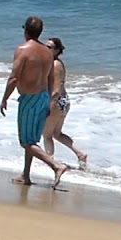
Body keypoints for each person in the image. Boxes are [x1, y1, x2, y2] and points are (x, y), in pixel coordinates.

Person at [0, 16, 68, 188]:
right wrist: (49, 101)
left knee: (26, 142)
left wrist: (4, 99)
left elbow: (14, 77)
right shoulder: (47, 53)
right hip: (43, 97)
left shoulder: (23, 50)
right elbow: (51, 79)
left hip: (29, 99)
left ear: (25, 31)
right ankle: (26, 175)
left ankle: (56, 166)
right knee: (32, 140)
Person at [42, 37, 88, 169]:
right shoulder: (55, 63)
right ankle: (80, 154)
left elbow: (56, 90)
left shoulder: (55, 64)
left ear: (57, 50)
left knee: (46, 135)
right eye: (45, 46)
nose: (46, 49)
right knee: (56, 134)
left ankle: (50, 162)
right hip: (63, 101)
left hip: (57, 101)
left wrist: (49, 106)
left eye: (49, 47)